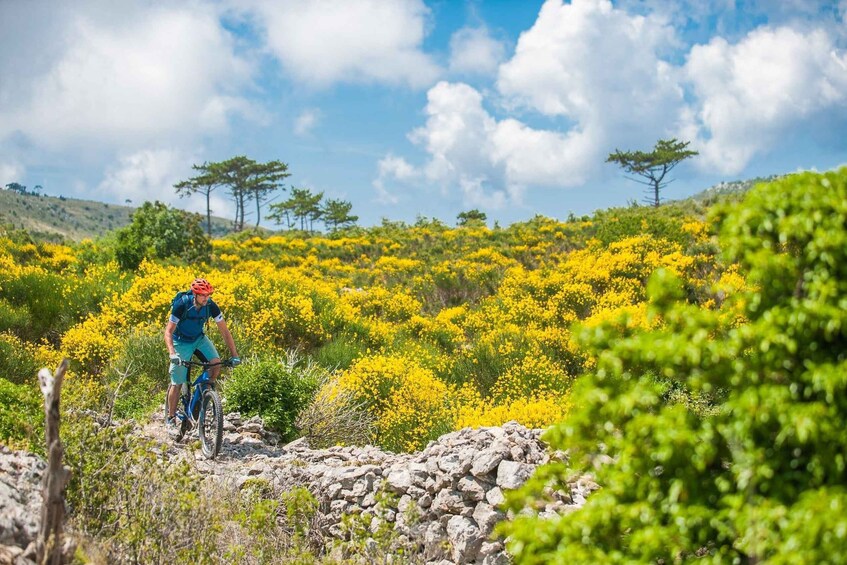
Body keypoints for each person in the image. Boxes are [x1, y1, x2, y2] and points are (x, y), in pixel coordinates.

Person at [164, 278, 240, 436]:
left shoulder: (210, 306)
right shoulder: (182, 305)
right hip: (180, 342)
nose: (206, 298)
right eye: (202, 295)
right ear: (195, 294)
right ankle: (170, 419)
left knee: (216, 364)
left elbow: (225, 332)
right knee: (177, 382)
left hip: (199, 339)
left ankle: (204, 395)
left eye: (208, 294)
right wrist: (172, 353)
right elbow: (169, 332)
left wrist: (234, 355)